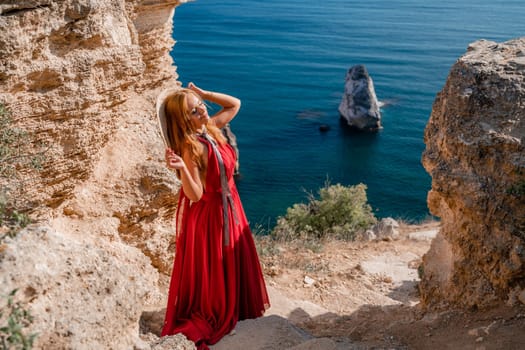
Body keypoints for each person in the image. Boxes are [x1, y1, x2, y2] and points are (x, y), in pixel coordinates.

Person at [156, 82, 270, 349]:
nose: (203, 113)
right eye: (195, 112)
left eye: (201, 108)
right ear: (183, 120)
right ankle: (221, 309)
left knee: (233, 256)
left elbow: (234, 104)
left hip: (231, 206)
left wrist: (204, 95)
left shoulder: (210, 130)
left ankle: (238, 306)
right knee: (217, 263)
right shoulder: (189, 147)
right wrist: (183, 167)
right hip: (211, 216)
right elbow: (195, 195)